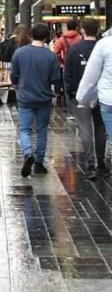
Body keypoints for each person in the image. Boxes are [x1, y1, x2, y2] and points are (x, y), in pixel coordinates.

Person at [11, 23, 63, 177]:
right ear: (46, 37)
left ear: (31, 35)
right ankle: (39, 163)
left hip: (25, 97)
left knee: (25, 129)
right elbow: (55, 78)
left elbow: (14, 76)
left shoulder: (19, 53)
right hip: (43, 98)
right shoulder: (50, 56)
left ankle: (28, 153)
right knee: (41, 130)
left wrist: (20, 83)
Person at [66, 19, 105, 178]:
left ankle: (90, 163)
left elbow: (68, 73)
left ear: (82, 30)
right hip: (102, 94)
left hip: (80, 95)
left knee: (85, 128)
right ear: (97, 30)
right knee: (100, 128)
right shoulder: (103, 47)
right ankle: (101, 162)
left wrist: (70, 93)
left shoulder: (74, 50)